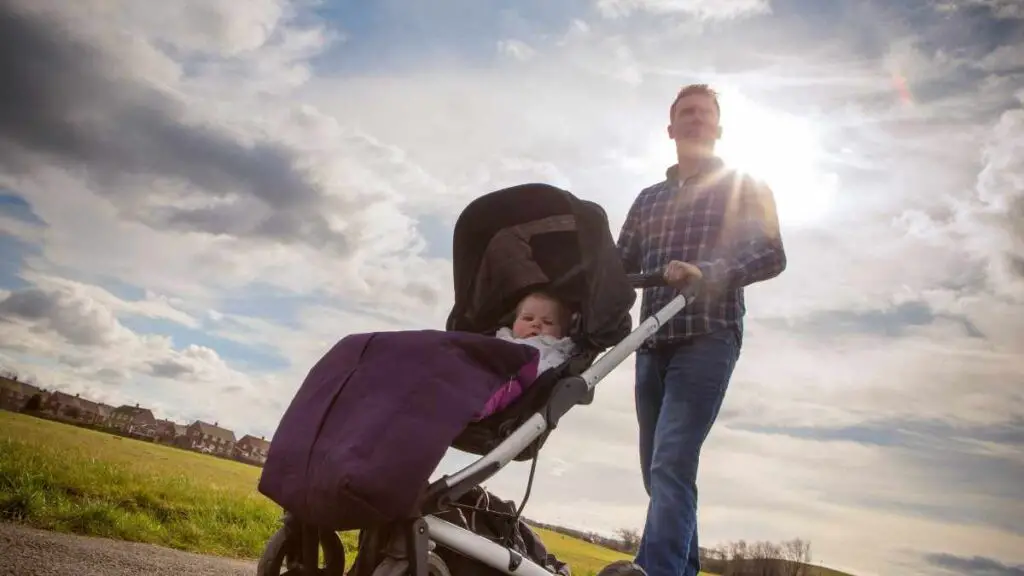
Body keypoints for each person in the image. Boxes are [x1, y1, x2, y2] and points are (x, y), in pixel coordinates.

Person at [616, 84, 787, 576]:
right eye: (685, 113)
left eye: (703, 113)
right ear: (670, 130)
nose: (695, 119)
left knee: (671, 459)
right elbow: (618, 267)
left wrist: (705, 271)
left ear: (718, 127)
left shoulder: (747, 186)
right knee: (657, 467)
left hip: (708, 335)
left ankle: (656, 571)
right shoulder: (648, 200)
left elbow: (770, 254)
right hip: (650, 341)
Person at [475, 291, 576, 419]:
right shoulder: (501, 338)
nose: (536, 324)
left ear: (561, 333)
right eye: (528, 318)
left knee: (505, 388)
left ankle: (479, 406)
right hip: (483, 369)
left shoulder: (552, 348)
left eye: (548, 322)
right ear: (514, 323)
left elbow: (548, 370)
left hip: (511, 378)